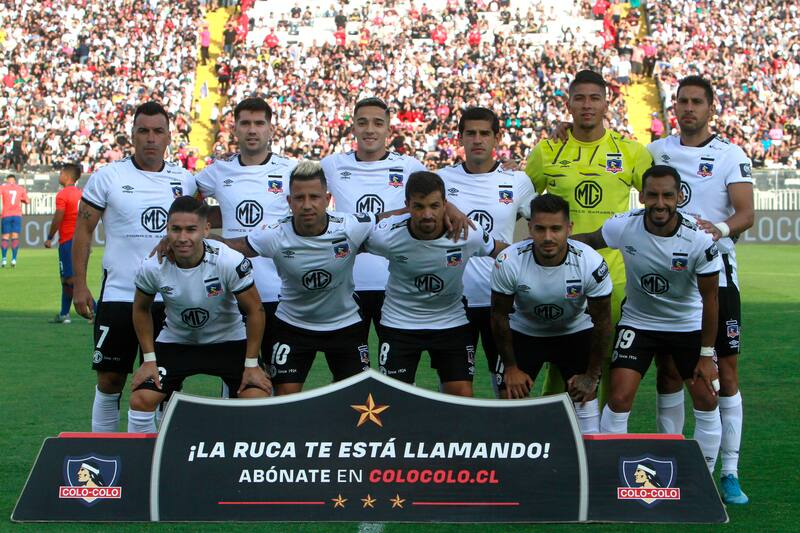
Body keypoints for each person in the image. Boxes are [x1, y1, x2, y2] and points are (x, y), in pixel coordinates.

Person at [573, 165, 723, 474]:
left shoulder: (699, 240)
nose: (659, 203)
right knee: (618, 396)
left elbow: (711, 299)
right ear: (641, 196)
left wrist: (707, 355)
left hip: (687, 325)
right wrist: (545, 244)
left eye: (668, 195)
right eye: (652, 195)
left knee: (707, 398)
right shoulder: (624, 226)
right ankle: (609, 474)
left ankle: (703, 478)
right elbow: (589, 239)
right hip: (639, 322)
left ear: (680, 197)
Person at [648, 76, 754, 504]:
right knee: (670, 371)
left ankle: (728, 471)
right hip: (668, 281)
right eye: (682, 102)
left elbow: (746, 213)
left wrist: (720, 228)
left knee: (725, 373)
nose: (688, 108)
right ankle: (671, 463)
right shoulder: (656, 151)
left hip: (718, 276)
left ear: (711, 107)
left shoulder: (729, 154)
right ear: (674, 107)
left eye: (696, 102)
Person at [525, 69, 652, 401]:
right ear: (568, 104)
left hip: (615, 274)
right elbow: (522, 200)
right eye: (579, 98)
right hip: (558, 273)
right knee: (560, 358)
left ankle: (605, 440)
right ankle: (557, 434)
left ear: (606, 104)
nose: (586, 105)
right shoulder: (547, 150)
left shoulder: (631, 152)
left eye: (594, 98)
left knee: (610, 358)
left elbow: (657, 199)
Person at [72, 101, 197, 432]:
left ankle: (156, 457)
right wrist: (79, 284)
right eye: (143, 131)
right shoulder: (108, 177)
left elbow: (197, 232)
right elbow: (83, 229)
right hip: (120, 294)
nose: (151, 139)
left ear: (170, 136)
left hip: (171, 299)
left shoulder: (185, 180)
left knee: (166, 386)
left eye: (158, 131)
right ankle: (106, 455)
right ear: (132, 135)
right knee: (110, 379)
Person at [222, 161, 387, 394]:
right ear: (289, 202)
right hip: (293, 325)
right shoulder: (274, 235)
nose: (307, 205)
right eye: (299, 198)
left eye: (314, 197)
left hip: (344, 323)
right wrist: (193, 240)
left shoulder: (350, 226)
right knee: (285, 399)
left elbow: (392, 217)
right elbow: (233, 248)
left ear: (327, 199)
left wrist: (445, 208)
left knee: (356, 396)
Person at [321, 97, 469, 336]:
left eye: (378, 123)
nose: (370, 129)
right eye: (363, 123)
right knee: (350, 367)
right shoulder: (332, 165)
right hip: (346, 282)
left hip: (394, 283)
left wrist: (452, 209)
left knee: (394, 366)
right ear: (353, 128)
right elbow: (299, 188)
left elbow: (435, 195)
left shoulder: (409, 165)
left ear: (388, 129)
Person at [128, 197, 271, 433]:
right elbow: (140, 308)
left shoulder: (228, 260)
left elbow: (255, 310)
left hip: (228, 341)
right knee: (141, 400)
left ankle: (246, 465)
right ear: (167, 229)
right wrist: (149, 360)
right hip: (177, 341)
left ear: (206, 229)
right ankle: (147, 465)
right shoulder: (153, 266)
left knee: (257, 397)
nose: (182, 238)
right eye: (175, 229)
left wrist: (252, 364)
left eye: (191, 229)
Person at [363, 171, 507, 397]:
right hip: (399, 323)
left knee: (461, 398)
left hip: (451, 322)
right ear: (407, 205)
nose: (427, 214)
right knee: (393, 399)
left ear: (445, 205)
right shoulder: (386, 235)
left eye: (435, 206)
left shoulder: (467, 233)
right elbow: (347, 242)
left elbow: (503, 252)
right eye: (418, 206)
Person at [195, 97, 296, 391]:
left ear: (270, 129)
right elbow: (188, 203)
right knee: (235, 375)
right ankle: (233, 434)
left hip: (280, 292)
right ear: (235, 129)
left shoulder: (290, 170)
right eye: (245, 124)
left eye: (259, 123)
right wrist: (205, 225)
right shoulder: (217, 172)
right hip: (231, 293)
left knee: (282, 378)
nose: (252, 130)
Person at [491, 194, 612, 434]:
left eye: (556, 229)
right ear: (530, 228)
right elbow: (498, 316)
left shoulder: (591, 262)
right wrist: (511, 368)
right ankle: (513, 464)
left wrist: (592, 375)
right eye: (540, 229)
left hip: (574, 332)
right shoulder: (509, 261)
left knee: (585, 397)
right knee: (509, 395)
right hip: (524, 332)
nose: (548, 237)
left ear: (569, 228)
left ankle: (589, 462)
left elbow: (603, 323)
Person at [438, 107, 536, 397]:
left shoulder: (517, 182)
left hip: (502, 300)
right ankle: (455, 442)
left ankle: (509, 440)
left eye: (484, 133)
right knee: (455, 390)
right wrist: (446, 205)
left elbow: (539, 232)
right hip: (455, 302)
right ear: (461, 138)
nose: (477, 139)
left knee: (509, 388)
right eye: (471, 133)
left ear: (497, 138)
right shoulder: (441, 180)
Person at [44, 163, 83, 323]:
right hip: (80, 240)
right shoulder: (82, 193)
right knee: (68, 279)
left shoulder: (63, 194)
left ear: (67, 176)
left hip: (68, 240)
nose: (59, 176)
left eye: (60, 173)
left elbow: (58, 217)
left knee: (71, 280)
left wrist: (50, 236)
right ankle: (64, 313)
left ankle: (94, 310)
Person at [0, 174, 29, 268]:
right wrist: (22, 199)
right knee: (15, 236)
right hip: (17, 215)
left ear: (8, 180)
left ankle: (4, 259)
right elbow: (27, 201)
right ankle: (14, 260)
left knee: (5, 236)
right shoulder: (21, 189)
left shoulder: (3, 188)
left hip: (6, 214)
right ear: (15, 180)